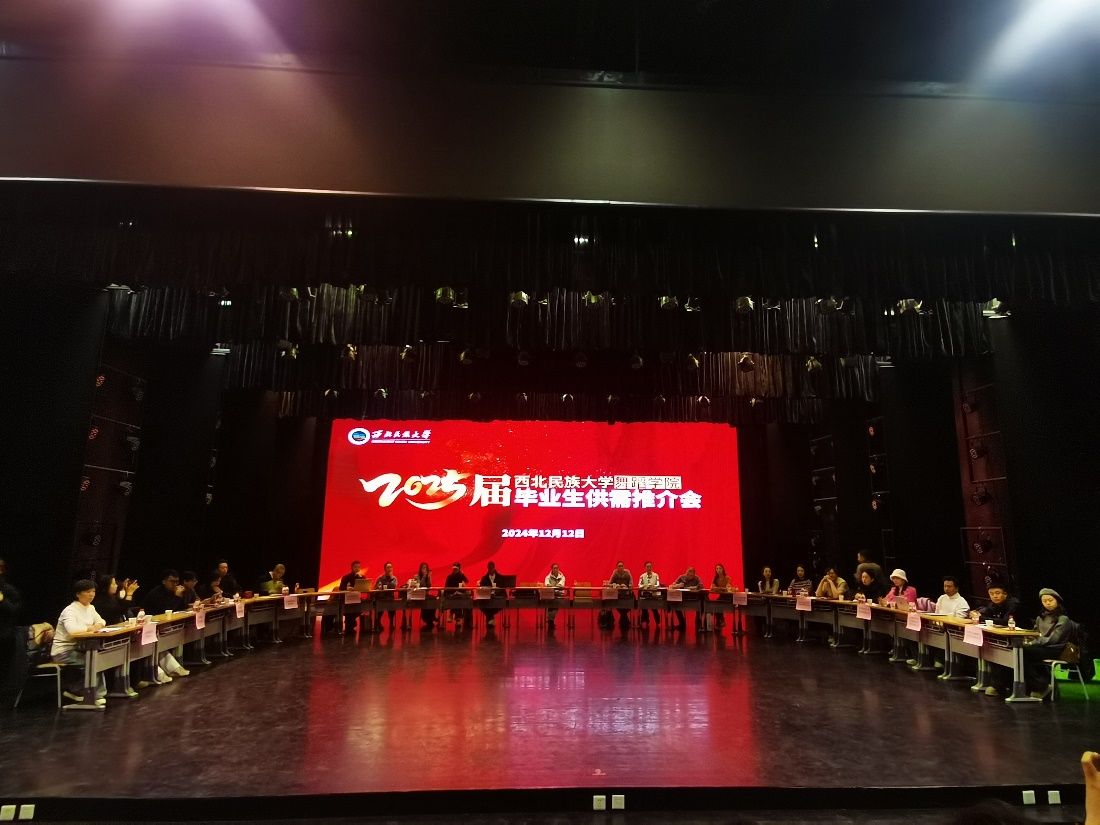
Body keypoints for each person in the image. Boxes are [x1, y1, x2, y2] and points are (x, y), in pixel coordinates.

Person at [50, 579, 108, 705]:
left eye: (93, 591)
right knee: (92, 661)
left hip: (79, 648)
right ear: (78, 594)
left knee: (98, 659)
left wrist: (98, 625)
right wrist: (90, 628)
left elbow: (102, 621)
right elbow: (72, 630)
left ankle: (79, 691)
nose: (91, 594)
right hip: (63, 652)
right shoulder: (70, 610)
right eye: (87, 591)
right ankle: (92, 695)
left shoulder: (91, 608)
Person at [968, 580, 1020, 697]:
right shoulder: (992, 605)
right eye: (991, 594)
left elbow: (1006, 622)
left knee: (1000, 652)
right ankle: (996, 684)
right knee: (992, 650)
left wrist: (982, 618)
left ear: (1005, 594)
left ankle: (1000, 685)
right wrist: (977, 614)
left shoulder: (1013, 604)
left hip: (1020, 638)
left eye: (997, 593)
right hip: (1003, 637)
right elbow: (987, 614)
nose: (994, 596)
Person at [137, 570, 190, 681]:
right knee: (156, 645)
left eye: (177, 582)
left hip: (165, 625)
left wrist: (181, 595)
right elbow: (165, 610)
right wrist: (177, 596)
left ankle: (172, 668)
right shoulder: (156, 593)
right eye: (172, 581)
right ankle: (160, 671)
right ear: (164, 581)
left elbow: (182, 608)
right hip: (150, 626)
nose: (175, 584)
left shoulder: (174, 591)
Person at [1023, 588, 1075, 699]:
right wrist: (1029, 638)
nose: (1047, 603)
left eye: (1050, 600)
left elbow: (1053, 640)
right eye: (1044, 601)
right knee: (1018, 650)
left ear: (1057, 601)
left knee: (1024, 652)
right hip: (1041, 647)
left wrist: (1034, 642)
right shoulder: (1040, 617)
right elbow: (1035, 633)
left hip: (1054, 650)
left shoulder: (1063, 619)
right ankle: (1027, 686)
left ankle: (1041, 687)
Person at [0, 558, 23, 705]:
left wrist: (2, 601)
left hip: (4, 635)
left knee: (3, 667)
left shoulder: (8, 589)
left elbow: (15, 610)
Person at [670, 566, 702, 631]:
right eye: (688, 574)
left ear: (694, 574)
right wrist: (678, 585)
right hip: (683, 597)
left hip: (694, 597)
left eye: (691, 575)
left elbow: (701, 586)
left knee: (701, 603)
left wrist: (695, 587)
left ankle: (698, 623)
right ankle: (682, 623)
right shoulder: (681, 577)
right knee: (675, 603)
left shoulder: (697, 578)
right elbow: (672, 586)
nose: (689, 576)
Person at [373, 562, 399, 632]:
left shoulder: (394, 578)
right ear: (384, 569)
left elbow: (393, 586)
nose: (389, 569)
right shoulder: (380, 578)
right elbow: (376, 587)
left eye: (391, 567)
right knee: (380, 607)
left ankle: (391, 623)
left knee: (392, 607)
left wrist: (390, 577)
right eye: (388, 567)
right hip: (381, 598)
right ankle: (378, 622)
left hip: (390, 598)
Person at [444, 562, 471, 629]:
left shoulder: (461, 576)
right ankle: (458, 618)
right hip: (451, 594)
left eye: (456, 569)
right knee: (456, 599)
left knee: (459, 598)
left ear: (459, 569)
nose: (455, 570)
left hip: (460, 594)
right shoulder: (449, 577)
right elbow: (446, 587)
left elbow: (467, 581)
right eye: (454, 569)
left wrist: (463, 574)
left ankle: (452, 614)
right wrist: (451, 592)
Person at [608, 561, 633, 629]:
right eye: (619, 566)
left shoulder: (627, 573)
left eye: (622, 566)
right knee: (618, 604)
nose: (621, 567)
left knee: (627, 604)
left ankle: (623, 619)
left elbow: (631, 584)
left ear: (624, 567)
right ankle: (624, 620)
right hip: (618, 594)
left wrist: (627, 586)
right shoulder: (615, 573)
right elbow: (610, 583)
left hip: (626, 594)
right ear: (617, 567)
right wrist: (615, 585)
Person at [413, 562, 436, 629]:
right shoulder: (417, 576)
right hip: (419, 594)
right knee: (426, 600)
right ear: (420, 569)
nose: (424, 569)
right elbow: (420, 585)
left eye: (426, 568)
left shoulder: (427, 576)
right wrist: (423, 577)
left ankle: (432, 617)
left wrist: (429, 577)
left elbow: (429, 586)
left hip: (426, 594)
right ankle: (427, 618)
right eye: (423, 568)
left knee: (433, 599)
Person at [638, 561, 661, 627]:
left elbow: (658, 584)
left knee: (654, 607)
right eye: (647, 567)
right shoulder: (642, 576)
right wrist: (645, 587)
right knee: (644, 605)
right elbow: (639, 585)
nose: (649, 568)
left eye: (650, 566)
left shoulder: (656, 575)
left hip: (653, 594)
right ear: (645, 568)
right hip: (645, 593)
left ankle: (657, 621)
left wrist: (653, 587)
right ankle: (645, 620)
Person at [544, 562, 566, 627]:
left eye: (557, 568)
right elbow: (547, 584)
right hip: (550, 595)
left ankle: (550, 620)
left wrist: (554, 587)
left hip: (559, 595)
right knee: (551, 606)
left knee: (555, 606)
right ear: (552, 569)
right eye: (554, 568)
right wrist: (551, 587)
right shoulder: (548, 577)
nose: (556, 569)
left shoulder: (562, 577)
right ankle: (550, 621)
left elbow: (561, 585)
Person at [710, 563, 732, 628]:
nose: (718, 570)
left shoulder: (727, 578)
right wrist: (721, 589)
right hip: (722, 596)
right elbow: (712, 588)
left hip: (728, 596)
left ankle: (719, 621)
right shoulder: (715, 578)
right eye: (717, 568)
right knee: (717, 603)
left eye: (720, 568)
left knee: (718, 603)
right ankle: (720, 620)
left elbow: (728, 588)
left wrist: (718, 588)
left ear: (723, 569)